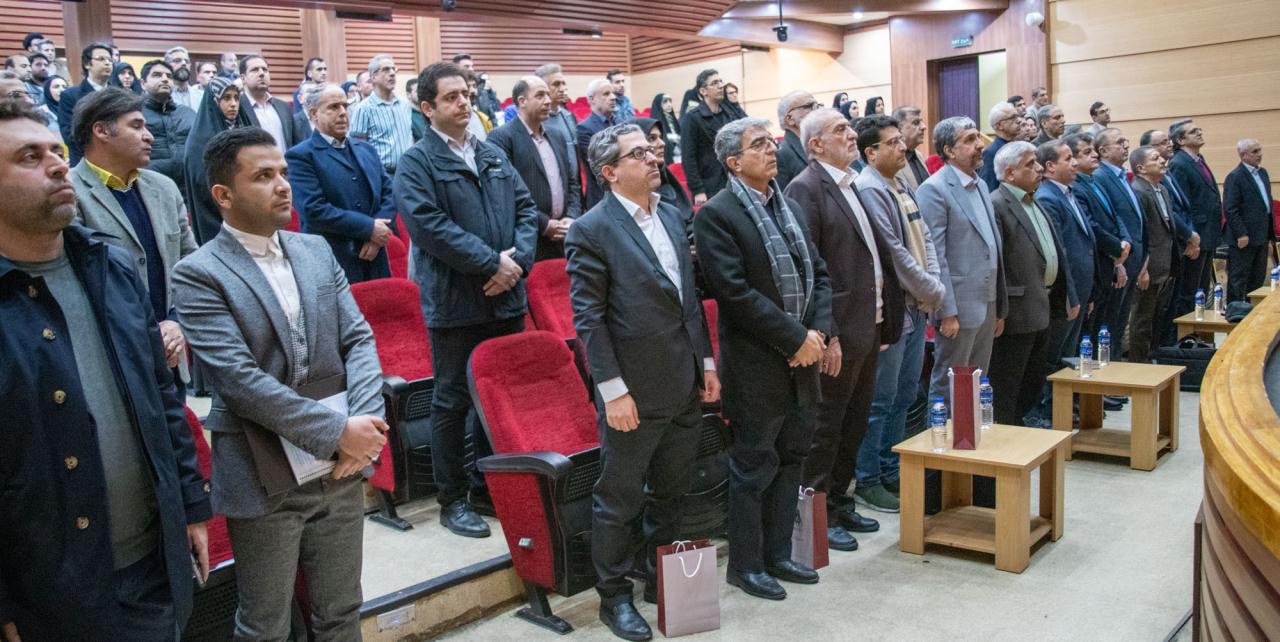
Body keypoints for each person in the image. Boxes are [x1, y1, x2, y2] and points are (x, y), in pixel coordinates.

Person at [0, 98, 211, 641]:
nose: (56, 165)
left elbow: (161, 397)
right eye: (29, 157)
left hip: (151, 560)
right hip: (51, 587)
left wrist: (190, 506)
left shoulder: (108, 265)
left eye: (55, 151)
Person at [173, 126, 386, 641]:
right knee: (265, 624)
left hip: (339, 467)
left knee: (341, 610)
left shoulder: (314, 249)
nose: (283, 185)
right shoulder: (198, 272)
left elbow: (358, 339)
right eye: (263, 176)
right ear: (223, 195)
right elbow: (239, 382)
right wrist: (338, 432)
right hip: (261, 468)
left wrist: (365, 426)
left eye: (284, 173)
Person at [564, 122, 719, 642]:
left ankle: (660, 578)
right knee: (619, 499)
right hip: (632, 389)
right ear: (609, 172)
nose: (654, 158)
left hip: (683, 380)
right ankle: (613, 598)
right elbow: (589, 319)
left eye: (652, 151)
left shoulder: (672, 214)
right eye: (639, 154)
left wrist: (706, 364)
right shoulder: (592, 229)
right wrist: (613, 391)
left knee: (673, 493)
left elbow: (689, 302)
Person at [394, 62, 539, 539]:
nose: (464, 102)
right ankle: (452, 498)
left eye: (467, 94)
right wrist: (490, 264)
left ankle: (484, 485)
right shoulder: (417, 161)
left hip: (505, 296)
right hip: (456, 301)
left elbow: (526, 208)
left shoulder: (489, 151)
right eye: (452, 97)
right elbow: (429, 226)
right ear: (427, 107)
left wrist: (517, 264)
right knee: (452, 400)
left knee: (496, 397)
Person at [693, 117, 833, 600]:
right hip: (757, 362)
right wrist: (795, 338)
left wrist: (817, 333)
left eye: (771, 143)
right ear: (734, 162)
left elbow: (819, 273)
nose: (772, 150)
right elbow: (735, 294)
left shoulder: (787, 205)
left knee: (792, 457)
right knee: (753, 467)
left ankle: (778, 554)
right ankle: (746, 566)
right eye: (759, 145)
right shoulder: (717, 215)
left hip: (803, 356)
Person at [786, 109, 903, 534]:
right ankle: (816, 521)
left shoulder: (851, 183)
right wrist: (827, 334)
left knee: (853, 423)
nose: (852, 134)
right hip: (839, 332)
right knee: (826, 429)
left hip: (867, 325)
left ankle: (840, 501)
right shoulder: (805, 188)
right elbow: (809, 270)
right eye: (841, 130)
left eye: (849, 128)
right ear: (816, 144)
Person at [854, 113, 945, 515]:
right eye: (891, 143)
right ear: (870, 153)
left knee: (905, 395)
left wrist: (933, 284)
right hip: (895, 309)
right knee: (881, 399)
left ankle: (891, 469)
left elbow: (926, 239)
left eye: (900, 141)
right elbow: (894, 253)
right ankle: (868, 479)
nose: (902, 147)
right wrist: (930, 289)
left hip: (917, 304)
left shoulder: (902, 183)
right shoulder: (869, 188)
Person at [918, 116, 1007, 404]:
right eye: (969, 140)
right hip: (957, 305)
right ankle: (941, 431)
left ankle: (971, 431)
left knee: (977, 379)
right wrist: (946, 311)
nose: (980, 144)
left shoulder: (980, 184)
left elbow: (991, 247)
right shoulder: (933, 189)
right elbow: (936, 255)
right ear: (949, 150)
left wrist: (999, 305)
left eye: (977, 137)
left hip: (987, 301)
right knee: (949, 383)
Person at [987, 141, 1076, 425]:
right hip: (1016, 311)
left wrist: (1068, 295)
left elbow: (1055, 251)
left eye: (1037, 162)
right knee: (1008, 385)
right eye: (1030, 164)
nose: (1039, 169)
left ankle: (1019, 429)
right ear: (1009, 173)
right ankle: (1007, 437)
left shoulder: (1033, 200)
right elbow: (995, 262)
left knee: (1032, 381)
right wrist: (999, 310)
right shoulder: (997, 203)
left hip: (1042, 305)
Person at [287, 83, 398, 284]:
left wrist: (377, 235)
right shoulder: (300, 156)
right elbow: (313, 209)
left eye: (345, 106)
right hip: (332, 258)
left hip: (375, 255)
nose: (343, 113)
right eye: (333, 107)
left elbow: (389, 193)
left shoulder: (366, 149)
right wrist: (369, 228)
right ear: (313, 113)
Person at [1028, 140, 1098, 425]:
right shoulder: (1048, 198)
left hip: (1080, 289)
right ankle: (1045, 411)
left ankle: (1062, 408)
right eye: (1068, 158)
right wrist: (1070, 295)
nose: (1075, 163)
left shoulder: (1069, 193)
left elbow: (1086, 244)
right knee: (1053, 356)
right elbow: (1061, 253)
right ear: (1050, 167)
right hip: (1065, 294)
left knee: (1067, 354)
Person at [488, 75, 582, 261]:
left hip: (563, 235)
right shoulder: (501, 138)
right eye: (540, 95)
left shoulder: (557, 135)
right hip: (527, 238)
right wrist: (544, 224)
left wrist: (572, 216)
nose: (548, 101)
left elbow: (572, 183)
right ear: (522, 101)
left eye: (547, 94)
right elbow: (504, 193)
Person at [1066, 132, 1132, 341]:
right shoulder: (1075, 187)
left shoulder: (1095, 181)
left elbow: (1115, 216)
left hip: (1110, 262)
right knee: (1091, 334)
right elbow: (1092, 226)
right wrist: (1117, 248)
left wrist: (1125, 241)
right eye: (1087, 152)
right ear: (1072, 159)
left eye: (1094, 150)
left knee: (1107, 327)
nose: (1095, 155)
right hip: (1097, 265)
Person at [1092, 128, 1145, 362]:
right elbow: (1108, 222)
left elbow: (1129, 219)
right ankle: (1109, 372)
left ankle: (1115, 370)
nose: (1126, 145)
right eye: (1119, 142)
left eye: (1125, 140)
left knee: (1120, 322)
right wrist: (1118, 259)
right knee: (1110, 326)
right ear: (1103, 151)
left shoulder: (1121, 176)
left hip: (1130, 258)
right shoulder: (1101, 176)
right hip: (1118, 261)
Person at [1127, 145, 1185, 362]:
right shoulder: (1139, 191)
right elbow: (1141, 235)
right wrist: (1143, 269)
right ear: (1141, 168)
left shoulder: (1161, 188)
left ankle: (1152, 357)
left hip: (1164, 264)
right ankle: (1138, 363)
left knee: (1156, 317)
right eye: (1155, 158)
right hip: (1148, 268)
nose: (1162, 160)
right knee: (1142, 319)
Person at [185, 76, 252, 244]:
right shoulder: (200, 138)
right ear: (214, 101)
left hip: (249, 209)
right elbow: (201, 182)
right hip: (215, 213)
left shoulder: (246, 129)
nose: (233, 104)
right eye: (226, 98)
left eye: (236, 98)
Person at [1167, 119, 1224, 316]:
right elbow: (1181, 206)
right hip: (1195, 237)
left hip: (1208, 234)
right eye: (1193, 132)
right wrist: (1190, 238)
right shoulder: (1178, 164)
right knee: (1189, 291)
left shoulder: (1198, 159)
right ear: (1180, 140)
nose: (1199, 132)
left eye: (1199, 129)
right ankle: (1186, 331)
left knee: (1202, 289)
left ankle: (1198, 326)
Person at [1223, 139, 1273, 302]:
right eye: (1255, 151)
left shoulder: (1263, 173)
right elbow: (1230, 208)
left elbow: (1266, 203)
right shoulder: (1235, 176)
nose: (1260, 154)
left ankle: (1253, 311)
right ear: (1243, 155)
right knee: (1239, 278)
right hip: (1244, 237)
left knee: (1258, 277)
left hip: (1261, 234)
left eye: (1260, 150)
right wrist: (1241, 233)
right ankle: (1235, 310)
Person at [349, 55, 414, 176]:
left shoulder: (405, 105)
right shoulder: (363, 109)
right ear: (373, 77)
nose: (392, 73)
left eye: (393, 69)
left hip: (409, 173)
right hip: (382, 175)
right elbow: (358, 149)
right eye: (386, 70)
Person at [139, 60, 197, 189]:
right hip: (147, 186)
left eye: (169, 76)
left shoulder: (187, 113)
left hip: (188, 187)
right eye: (157, 75)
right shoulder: (135, 114)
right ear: (143, 83)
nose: (165, 79)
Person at [680, 69, 733, 207]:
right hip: (709, 185)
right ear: (703, 91)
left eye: (721, 81)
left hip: (731, 181)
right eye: (715, 83)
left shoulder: (728, 115)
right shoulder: (692, 118)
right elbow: (688, 157)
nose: (721, 86)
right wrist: (698, 190)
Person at [59, 41, 114, 164]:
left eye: (110, 60)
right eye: (101, 59)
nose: (107, 63)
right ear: (87, 64)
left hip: (117, 159)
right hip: (85, 160)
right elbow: (69, 135)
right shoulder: (70, 95)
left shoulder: (121, 95)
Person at [633, 117, 694, 226]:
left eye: (660, 137)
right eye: (652, 138)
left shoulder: (666, 181)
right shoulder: (636, 196)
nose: (662, 143)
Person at [240, 55, 305, 151]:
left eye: (265, 69)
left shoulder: (284, 107)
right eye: (255, 70)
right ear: (243, 78)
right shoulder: (238, 108)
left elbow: (295, 143)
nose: (261, 73)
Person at [577, 78, 620, 210]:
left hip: (623, 193)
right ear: (592, 99)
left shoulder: (620, 124)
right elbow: (599, 164)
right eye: (606, 94)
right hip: (601, 197)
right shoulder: (584, 129)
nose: (613, 97)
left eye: (613, 93)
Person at [537, 63, 580, 175]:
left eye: (563, 83)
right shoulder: (536, 121)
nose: (562, 89)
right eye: (556, 84)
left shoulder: (569, 116)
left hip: (574, 182)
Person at [774, 90, 819, 190]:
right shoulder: (781, 154)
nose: (816, 111)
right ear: (790, 119)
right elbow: (784, 195)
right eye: (809, 106)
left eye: (817, 106)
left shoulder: (819, 143)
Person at [980, 102, 1023, 192]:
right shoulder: (992, 152)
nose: (1019, 120)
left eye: (1018, 116)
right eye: (1013, 118)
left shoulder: (1019, 146)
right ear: (999, 125)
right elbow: (990, 188)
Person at [893, 106, 930, 191]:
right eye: (916, 123)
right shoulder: (893, 162)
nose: (923, 127)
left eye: (922, 122)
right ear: (899, 129)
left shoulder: (919, 155)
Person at [163, 46, 204, 112]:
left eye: (187, 61)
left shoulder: (202, 96)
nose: (184, 63)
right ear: (166, 65)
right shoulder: (160, 95)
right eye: (177, 60)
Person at [649, 92, 682, 165]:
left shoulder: (674, 120)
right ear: (659, 104)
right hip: (665, 158)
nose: (669, 104)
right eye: (665, 102)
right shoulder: (655, 123)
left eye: (670, 101)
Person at [405, 77, 428, 141]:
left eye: (422, 91)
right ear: (408, 95)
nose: (421, 94)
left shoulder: (428, 112)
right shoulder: (407, 115)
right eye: (417, 91)